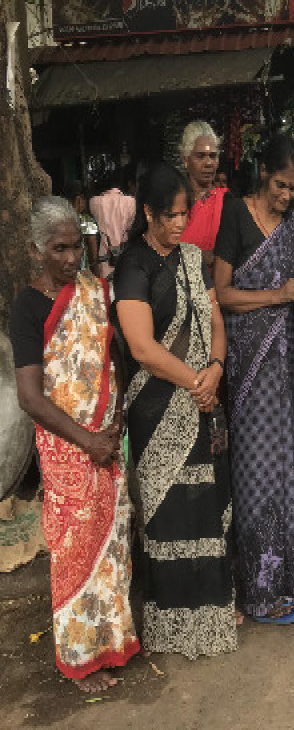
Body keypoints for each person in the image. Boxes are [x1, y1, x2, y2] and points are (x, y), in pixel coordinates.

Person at [9, 197, 139, 692]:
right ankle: (80, 655)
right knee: (74, 551)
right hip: (68, 448)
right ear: (39, 249)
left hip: (107, 439)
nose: (70, 259)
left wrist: (117, 418)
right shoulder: (28, 307)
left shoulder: (95, 292)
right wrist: (86, 440)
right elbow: (29, 395)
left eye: (75, 247)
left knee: (112, 544)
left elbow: (113, 362)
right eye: (59, 249)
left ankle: (114, 642)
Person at [114, 164, 238, 657]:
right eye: (169, 216)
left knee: (206, 510)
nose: (179, 225)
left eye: (185, 214)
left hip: (204, 401)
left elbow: (214, 320)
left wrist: (216, 367)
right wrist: (195, 382)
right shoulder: (133, 267)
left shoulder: (192, 257)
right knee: (169, 516)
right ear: (147, 213)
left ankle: (213, 613)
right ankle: (171, 625)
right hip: (158, 407)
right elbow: (142, 348)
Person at [214, 134, 294, 623]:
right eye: (279, 185)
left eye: (293, 188)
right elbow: (222, 294)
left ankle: (283, 581)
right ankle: (253, 587)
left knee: (283, 469)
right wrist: (275, 295)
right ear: (263, 175)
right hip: (249, 372)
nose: (286, 196)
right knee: (253, 472)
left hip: (284, 370)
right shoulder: (235, 214)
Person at [180, 120, 227, 267]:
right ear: (185, 159)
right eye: (201, 156)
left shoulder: (226, 201)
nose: (208, 163)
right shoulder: (174, 201)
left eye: (213, 156)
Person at [87, 155, 136, 281]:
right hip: (128, 267)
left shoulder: (93, 203)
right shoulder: (131, 202)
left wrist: (95, 272)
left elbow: (91, 239)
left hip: (103, 268)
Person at [63, 179, 99, 271]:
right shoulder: (86, 221)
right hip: (81, 276)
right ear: (79, 199)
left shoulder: (56, 220)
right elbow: (93, 257)